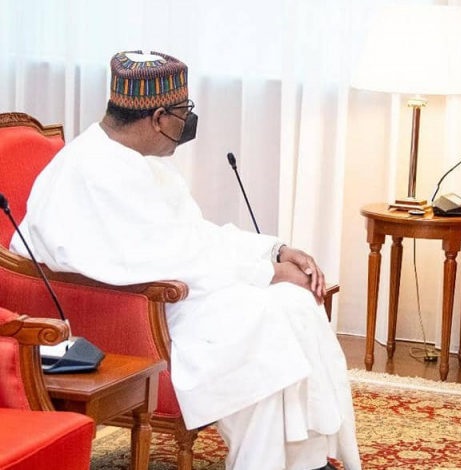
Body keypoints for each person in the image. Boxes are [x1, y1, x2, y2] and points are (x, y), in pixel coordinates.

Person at [11, 50, 361, 470]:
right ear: (158, 118)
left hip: (177, 295)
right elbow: (169, 258)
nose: (189, 121)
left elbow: (193, 237)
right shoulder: (91, 171)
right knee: (265, 329)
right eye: (184, 111)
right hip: (135, 312)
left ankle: (303, 462)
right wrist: (267, 272)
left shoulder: (139, 160)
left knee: (295, 305)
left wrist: (274, 251)